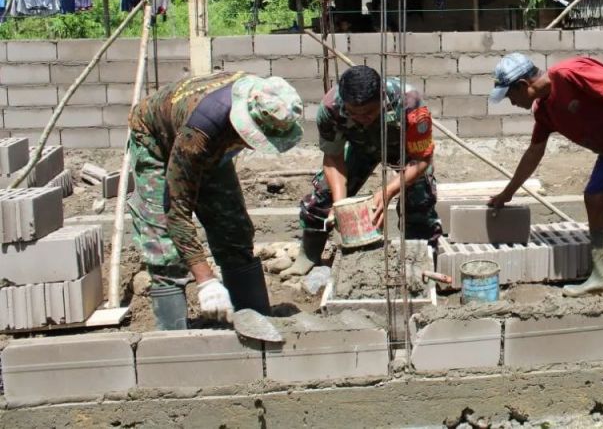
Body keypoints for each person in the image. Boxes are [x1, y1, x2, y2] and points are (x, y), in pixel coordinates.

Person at [127, 72, 304, 330]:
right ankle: (172, 341)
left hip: (209, 141)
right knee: (162, 245)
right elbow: (175, 209)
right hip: (155, 139)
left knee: (233, 229)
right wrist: (207, 281)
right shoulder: (199, 133)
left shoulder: (263, 94)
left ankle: (255, 321)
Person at [487, 53, 603, 296]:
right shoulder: (545, 110)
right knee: (594, 196)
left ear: (523, 85)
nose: (511, 102)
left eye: (510, 95)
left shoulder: (569, 73)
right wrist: (507, 194)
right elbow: (534, 152)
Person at [287, 65, 440, 276]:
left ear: (381, 97)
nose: (362, 118)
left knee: (420, 200)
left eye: (369, 112)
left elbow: (422, 159)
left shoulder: (409, 103)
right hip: (360, 148)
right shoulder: (330, 108)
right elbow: (333, 158)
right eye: (353, 113)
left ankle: (421, 259)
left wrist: (387, 192)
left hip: (406, 152)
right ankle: (310, 255)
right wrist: (341, 205)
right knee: (325, 193)